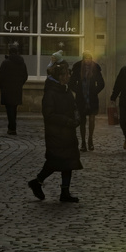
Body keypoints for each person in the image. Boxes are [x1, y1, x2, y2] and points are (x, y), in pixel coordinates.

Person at [28, 60, 82, 203]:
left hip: (67, 133)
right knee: (55, 161)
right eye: (67, 74)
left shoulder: (65, 89)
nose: (69, 76)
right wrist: (67, 121)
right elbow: (49, 114)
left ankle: (65, 192)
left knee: (69, 161)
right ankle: (37, 181)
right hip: (56, 134)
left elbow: (73, 105)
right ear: (60, 76)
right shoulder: (51, 92)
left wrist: (77, 116)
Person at [68, 52, 105, 151]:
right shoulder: (77, 68)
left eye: (89, 58)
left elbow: (101, 83)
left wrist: (95, 91)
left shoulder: (95, 68)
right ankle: (83, 142)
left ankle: (90, 139)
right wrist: (78, 91)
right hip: (81, 98)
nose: (88, 60)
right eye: (86, 58)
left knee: (92, 119)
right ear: (83, 59)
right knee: (82, 121)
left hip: (92, 98)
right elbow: (71, 83)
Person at [0, 42, 29, 135]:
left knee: (9, 109)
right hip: (17, 88)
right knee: (14, 108)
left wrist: (1, 86)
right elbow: (25, 75)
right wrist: (20, 83)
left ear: (9, 52)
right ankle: (12, 126)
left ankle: (12, 127)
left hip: (7, 89)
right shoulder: (21, 63)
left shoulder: (5, 62)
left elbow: (0, 75)